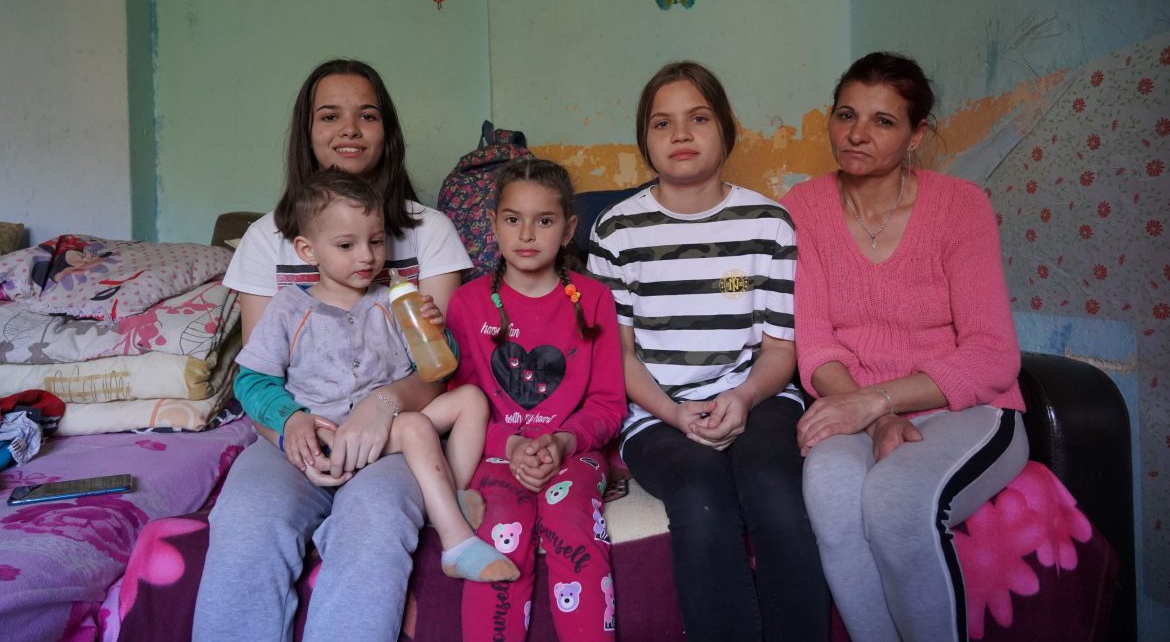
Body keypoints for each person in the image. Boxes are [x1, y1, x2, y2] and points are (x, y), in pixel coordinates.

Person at [194, 58, 471, 641]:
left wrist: (382, 405)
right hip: (293, 437)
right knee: (245, 521)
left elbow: (438, 368)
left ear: (387, 132)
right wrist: (290, 429)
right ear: (307, 131)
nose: (349, 129)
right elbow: (259, 376)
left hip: (393, 440)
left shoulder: (430, 231)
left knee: (375, 522)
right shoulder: (266, 239)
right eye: (330, 116)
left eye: (366, 115)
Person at [783, 51, 1028, 642]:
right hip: (854, 406)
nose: (857, 134)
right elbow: (815, 346)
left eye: (883, 121)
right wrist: (874, 419)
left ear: (916, 135)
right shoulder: (801, 210)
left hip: (965, 407)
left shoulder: (960, 206)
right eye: (846, 115)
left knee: (895, 502)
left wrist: (877, 403)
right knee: (831, 493)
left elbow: (994, 353)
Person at [587, 61, 830, 642]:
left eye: (698, 118)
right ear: (644, 139)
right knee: (699, 497)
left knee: (773, 488)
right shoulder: (616, 232)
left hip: (758, 396)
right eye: (662, 123)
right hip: (656, 412)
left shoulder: (769, 224)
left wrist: (742, 397)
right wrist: (673, 414)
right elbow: (617, 356)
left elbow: (780, 348)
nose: (680, 134)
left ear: (725, 128)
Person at [446, 158, 625, 641]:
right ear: (493, 224)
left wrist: (562, 441)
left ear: (567, 230)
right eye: (512, 219)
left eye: (544, 221)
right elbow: (462, 404)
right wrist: (509, 445)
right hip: (496, 453)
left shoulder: (594, 299)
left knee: (571, 523)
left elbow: (609, 406)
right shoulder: (467, 303)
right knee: (499, 532)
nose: (526, 234)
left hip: (573, 452)